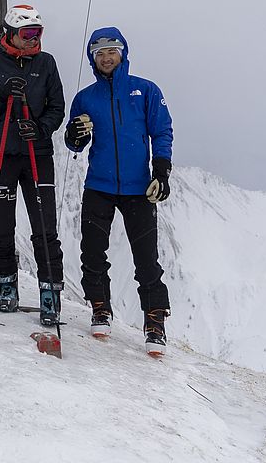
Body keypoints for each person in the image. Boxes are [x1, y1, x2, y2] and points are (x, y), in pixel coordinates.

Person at [64, 27, 174, 356]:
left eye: (112, 51)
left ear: (123, 54)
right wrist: (76, 133)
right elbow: (74, 144)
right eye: (100, 53)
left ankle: (155, 323)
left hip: (139, 188)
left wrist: (162, 173)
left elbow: (162, 131)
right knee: (93, 254)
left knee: (146, 260)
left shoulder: (146, 90)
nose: (107, 57)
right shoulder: (85, 98)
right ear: (92, 59)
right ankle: (100, 308)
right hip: (99, 185)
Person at [0, 4, 66, 326]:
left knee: (44, 227)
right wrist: (0, 95)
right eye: (27, 34)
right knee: (0, 226)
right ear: (11, 34)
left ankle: (50, 294)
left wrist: (40, 128)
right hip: (0, 154)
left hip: (37, 153)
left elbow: (57, 107)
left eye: (37, 34)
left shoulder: (46, 63)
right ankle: (6, 287)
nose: (33, 40)